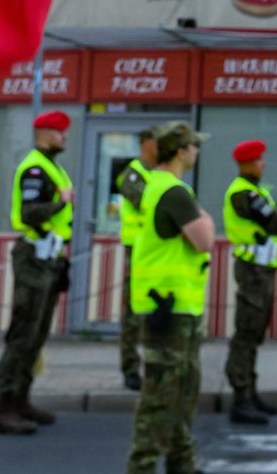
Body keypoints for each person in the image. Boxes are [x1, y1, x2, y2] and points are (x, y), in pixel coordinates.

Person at [126, 120, 215, 474]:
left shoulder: (160, 187)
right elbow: (205, 240)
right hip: (170, 310)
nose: (196, 151)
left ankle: (183, 465)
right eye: (194, 146)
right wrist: (204, 218)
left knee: (181, 395)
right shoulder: (174, 192)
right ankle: (142, 467)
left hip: (173, 308)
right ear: (181, 151)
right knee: (161, 399)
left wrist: (200, 218)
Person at [0, 110, 76, 436]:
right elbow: (30, 213)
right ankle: (6, 405)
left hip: (49, 258)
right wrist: (60, 202)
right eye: (59, 132)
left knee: (37, 334)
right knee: (24, 331)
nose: (63, 137)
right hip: (33, 257)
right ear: (42, 133)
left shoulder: (52, 168)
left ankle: (22, 398)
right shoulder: (36, 170)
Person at [224, 138, 277, 425]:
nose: (264, 164)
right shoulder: (243, 193)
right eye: (259, 159)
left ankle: (250, 392)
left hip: (263, 269)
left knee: (255, 332)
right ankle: (241, 397)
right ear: (247, 163)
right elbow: (276, 223)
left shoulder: (256, 191)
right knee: (246, 331)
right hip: (252, 270)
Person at [116, 127, 159, 391]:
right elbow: (150, 204)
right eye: (157, 142)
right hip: (137, 251)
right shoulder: (132, 174)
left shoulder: (159, 174)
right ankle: (130, 368)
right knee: (133, 313)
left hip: (158, 251)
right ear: (145, 143)